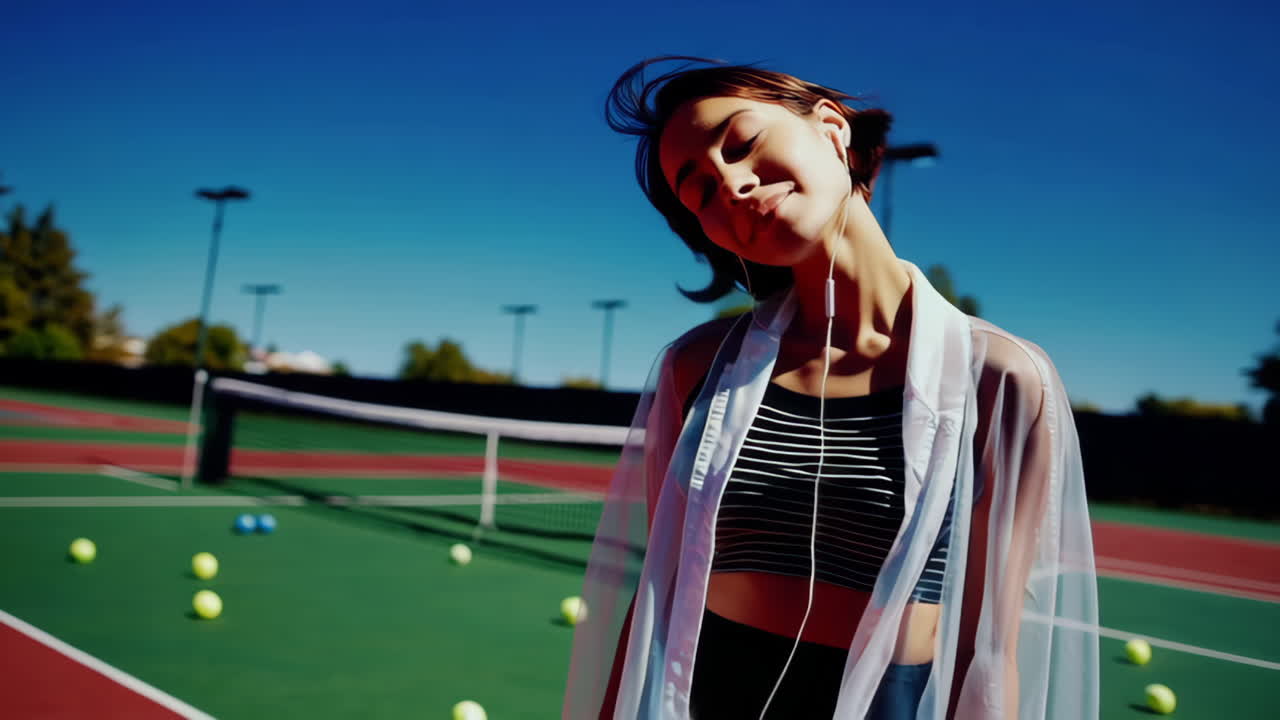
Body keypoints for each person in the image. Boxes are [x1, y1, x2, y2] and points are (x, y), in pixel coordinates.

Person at [563, 56, 1099, 720]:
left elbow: (987, 651)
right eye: (696, 188)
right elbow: (658, 591)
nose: (727, 182)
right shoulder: (696, 367)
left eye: (742, 141)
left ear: (832, 131)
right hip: (707, 690)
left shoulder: (1003, 380)